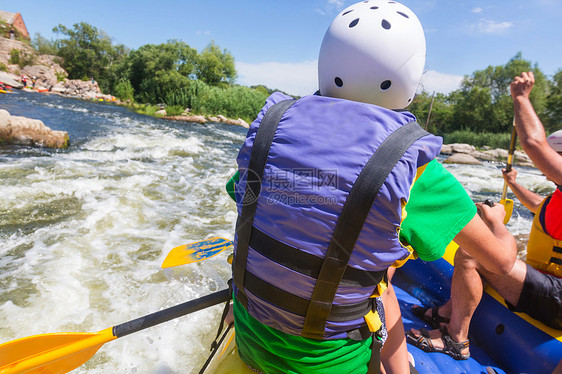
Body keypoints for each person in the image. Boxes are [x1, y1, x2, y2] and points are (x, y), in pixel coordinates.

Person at [226, 2, 516, 373]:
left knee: (380, 274)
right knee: (379, 279)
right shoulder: (416, 169)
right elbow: (502, 262)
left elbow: (247, 205)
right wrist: (499, 227)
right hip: (329, 363)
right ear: (409, 81)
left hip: (251, 337)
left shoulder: (270, 131)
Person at [406, 71, 562, 361]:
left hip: (559, 296)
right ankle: (445, 313)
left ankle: (456, 339)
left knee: (474, 255)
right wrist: (515, 184)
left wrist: (520, 98)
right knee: (484, 249)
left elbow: (534, 143)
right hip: (552, 282)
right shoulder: (558, 196)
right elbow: (544, 205)